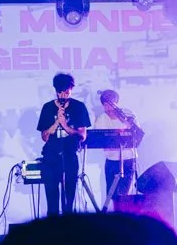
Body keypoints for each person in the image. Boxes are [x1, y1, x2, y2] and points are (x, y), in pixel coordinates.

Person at [36, 72, 90, 217]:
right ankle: (53, 232)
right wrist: (56, 123)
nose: (63, 95)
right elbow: (44, 136)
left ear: (71, 89)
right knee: (52, 197)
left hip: (70, 155)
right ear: (56, 90)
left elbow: (82, 136)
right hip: (51, 157)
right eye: (60, 91)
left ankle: (68, 231)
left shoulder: (79, 107)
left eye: (67, 91)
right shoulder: (47, 108)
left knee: (69, 199)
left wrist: (65, 125)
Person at [95, 88, 141, 202]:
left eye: (112, 105)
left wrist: (127, 124)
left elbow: (138, 134)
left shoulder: (128, 114)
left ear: (117, 103)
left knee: (125, 195)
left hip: (128, 160)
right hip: (112, 161)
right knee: (112, 196)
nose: (109, 108)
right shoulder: (101, 119)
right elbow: (101, 141)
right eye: (106, 105)